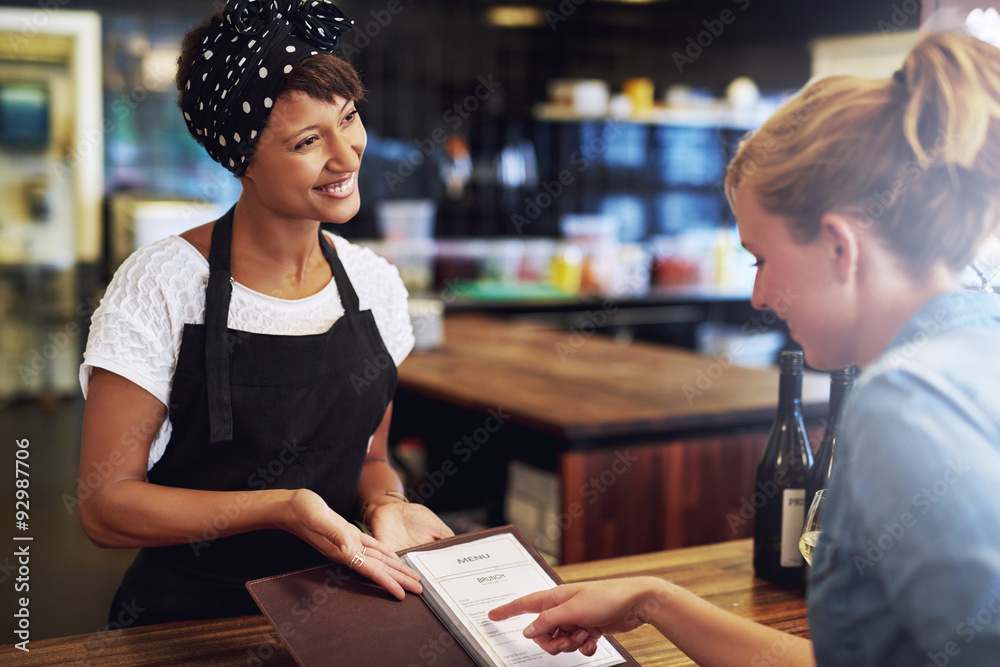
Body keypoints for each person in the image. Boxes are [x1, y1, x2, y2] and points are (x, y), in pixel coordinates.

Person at [490, 30, 1000, 666]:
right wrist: (654, 599)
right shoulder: (980, 342)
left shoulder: (906, 401)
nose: (758, 294)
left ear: (841, 247)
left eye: (761, 258)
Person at [78, 0, 452, 627]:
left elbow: (368, 457)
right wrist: (281, 506)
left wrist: (387, 501)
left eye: (349, 118)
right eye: (309, 141)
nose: (348, 155)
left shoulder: (375, 284)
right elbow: (104, 507)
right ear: (241, 160)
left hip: (335, 612)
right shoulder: (163, 283)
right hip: (189, 623)